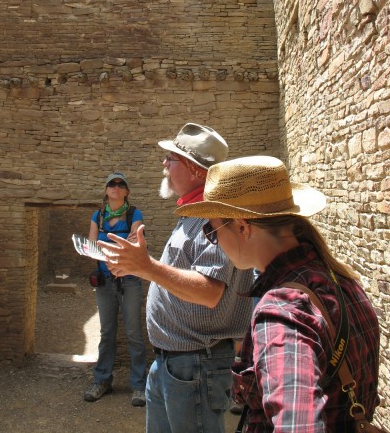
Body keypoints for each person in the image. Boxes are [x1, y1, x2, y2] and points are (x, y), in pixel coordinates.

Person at [178, 155, 381, 432]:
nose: (213, 240)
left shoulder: (282, 310)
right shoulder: (341, 279)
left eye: (211, 231)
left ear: (242, 226)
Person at [102, 123, 254, 433]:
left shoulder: (216, 217)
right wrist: (136, 264)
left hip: (195, 364)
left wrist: (147, 268)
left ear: (196, 170)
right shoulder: (193, 213)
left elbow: (210, 292)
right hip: (175, 364)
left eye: (171, 159)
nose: (163, 165)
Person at [83, 171, 147, 407]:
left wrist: (105, 250)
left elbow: (134, 244)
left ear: (127, 191)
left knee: (134, 334)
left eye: (121, 184)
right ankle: (102, 380)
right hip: (105, 280)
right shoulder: (97, 216)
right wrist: (109, 253)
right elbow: (91, 247)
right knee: (107, 333)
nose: (116, 187)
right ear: (106, 189)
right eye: (112, 183)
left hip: (129, 279)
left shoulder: (134, 214)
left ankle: (139, 385)